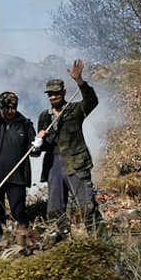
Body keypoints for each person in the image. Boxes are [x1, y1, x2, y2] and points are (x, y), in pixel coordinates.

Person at [34, 59, 100, 237]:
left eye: (56, 93)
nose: (53, 97)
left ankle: (98, 241)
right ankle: (61, 241)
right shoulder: (44, 117)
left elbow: (92, 101)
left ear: (63, 92)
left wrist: (80, 81)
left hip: (75, 163)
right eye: (50, 94)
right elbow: (37, 151)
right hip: (54, 165)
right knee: (55, 210)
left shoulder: (75, 110)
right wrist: (38, 142)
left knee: (86, 205)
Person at [0, 88, 36, 241]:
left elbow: (35, 151)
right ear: (1, 107)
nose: (10, 111)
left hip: (16, 176)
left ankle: (23, 241)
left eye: (13, 107)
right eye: (7, 107)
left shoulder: (25, 124)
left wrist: (38, 144)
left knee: (18, 211)